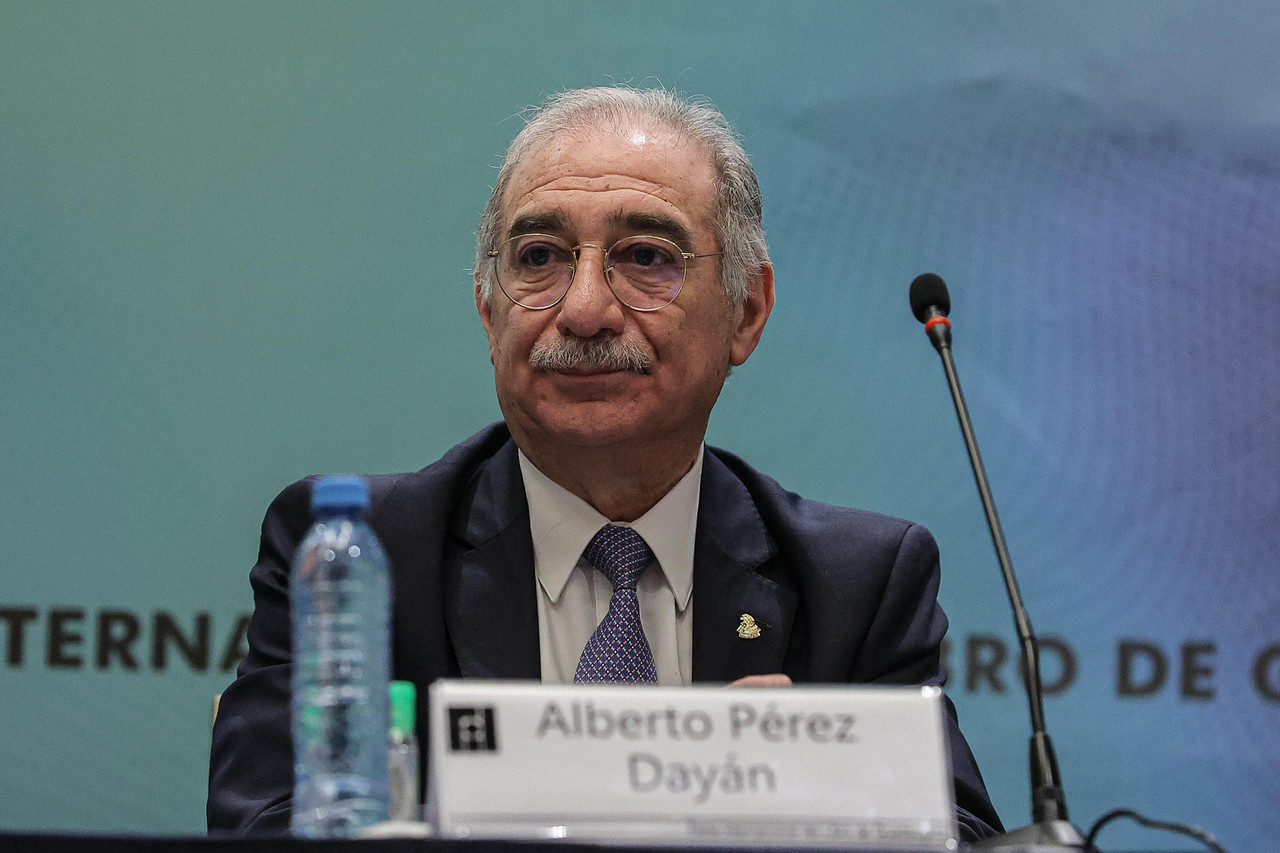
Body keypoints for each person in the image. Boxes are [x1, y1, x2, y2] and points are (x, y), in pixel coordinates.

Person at [208, 86, 1003, 840]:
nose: (584, 309)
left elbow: (965, 838)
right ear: (488, 309)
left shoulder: (858, 583)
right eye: (539, 257)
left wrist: (826, 788)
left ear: (746, 312)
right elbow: (266, 825)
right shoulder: (362, 556)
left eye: (646, 256)